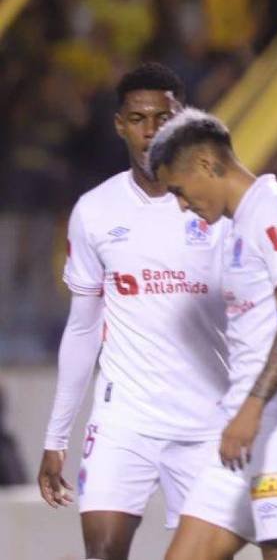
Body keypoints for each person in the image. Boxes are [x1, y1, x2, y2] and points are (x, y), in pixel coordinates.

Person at [37, 64, 229, 560]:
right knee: (102, 553)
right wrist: (57, 436)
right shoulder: (95, 212)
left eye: (162, 118)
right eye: (138, 119)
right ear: (119, 124)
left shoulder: (221, 208)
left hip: (207, 420)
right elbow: (82, 328)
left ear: (181, 119)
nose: (150, 132)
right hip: (126, 416)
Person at [148, 109, 277, 560]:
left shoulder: (276, 208)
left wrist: (252, 409)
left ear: (207, 166)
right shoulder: (237, 226)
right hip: (242, 421)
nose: (181, 203)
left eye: (178, 189)